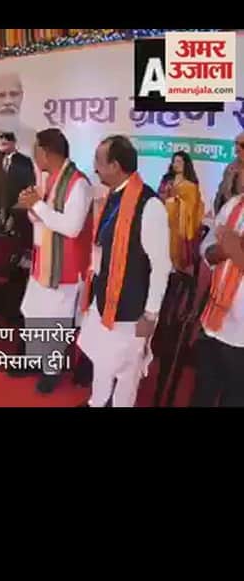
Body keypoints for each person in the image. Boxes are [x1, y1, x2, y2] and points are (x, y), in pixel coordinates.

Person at [77, 135, 172, 408]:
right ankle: (97, 402)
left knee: (127, 376)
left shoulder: (149, 205)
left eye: (99, 161)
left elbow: (161, 266)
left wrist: (150, 314)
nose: (95, 168)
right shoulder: (113, 196)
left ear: (115, 166)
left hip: (132, 311)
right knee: (103, 362)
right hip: (105, 301)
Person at [13, 129, 93, 393]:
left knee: (54, 320)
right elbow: (42, 218)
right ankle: (34, 360)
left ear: (46, 153)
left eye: (36, 150)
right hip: (43, 261)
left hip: (64, 267)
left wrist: (37, 205)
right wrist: (31, 206)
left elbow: (71, 227)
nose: (34, 156)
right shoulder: (51, 179)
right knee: (32, 312)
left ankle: (52, 370)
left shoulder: (78, 184)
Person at [190, 193, 243, 408]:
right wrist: (223, 249)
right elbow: (207, 249)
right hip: (214, 321)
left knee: (235, 397)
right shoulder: (235, 204)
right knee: (203, 390)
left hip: (241, 334)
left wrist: (234, 249)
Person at [158, 151, 204, 272]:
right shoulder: (167, 180)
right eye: (174, 161)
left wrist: (178, 199)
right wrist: (166, 195)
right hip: (165, 221)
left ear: (185, 164)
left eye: (179, 162)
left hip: (180, 227)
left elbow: (193, 207)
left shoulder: (191, 186)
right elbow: (159, 196)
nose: (176, 164)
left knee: (177, 260)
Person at [0, 71, 35, 157]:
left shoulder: (31, 137)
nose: (8, 101)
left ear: (21, 97)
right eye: (1, 95)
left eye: (14, 94)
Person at [0, 131, 35, 225]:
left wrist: (20, 206)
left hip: (16, 206)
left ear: (13, 143)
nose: (3, 146)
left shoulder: (24, 161)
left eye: (5, 143)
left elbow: (30, 184)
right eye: (1, 144)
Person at [213, 135, 244, 213]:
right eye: (236, 144)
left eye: (242, 145)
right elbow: (221, 194)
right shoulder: (231, 168)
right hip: (229, 214)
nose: (237, 149)